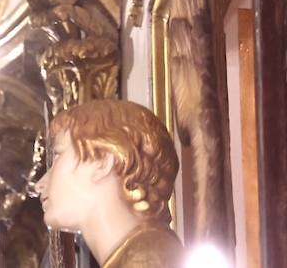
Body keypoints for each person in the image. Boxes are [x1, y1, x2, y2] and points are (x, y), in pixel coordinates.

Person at [34, 99, 184, 268]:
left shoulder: (148, 261)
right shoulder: (140, 255)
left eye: (58, 155)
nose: (40, 184)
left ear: (102, 161)